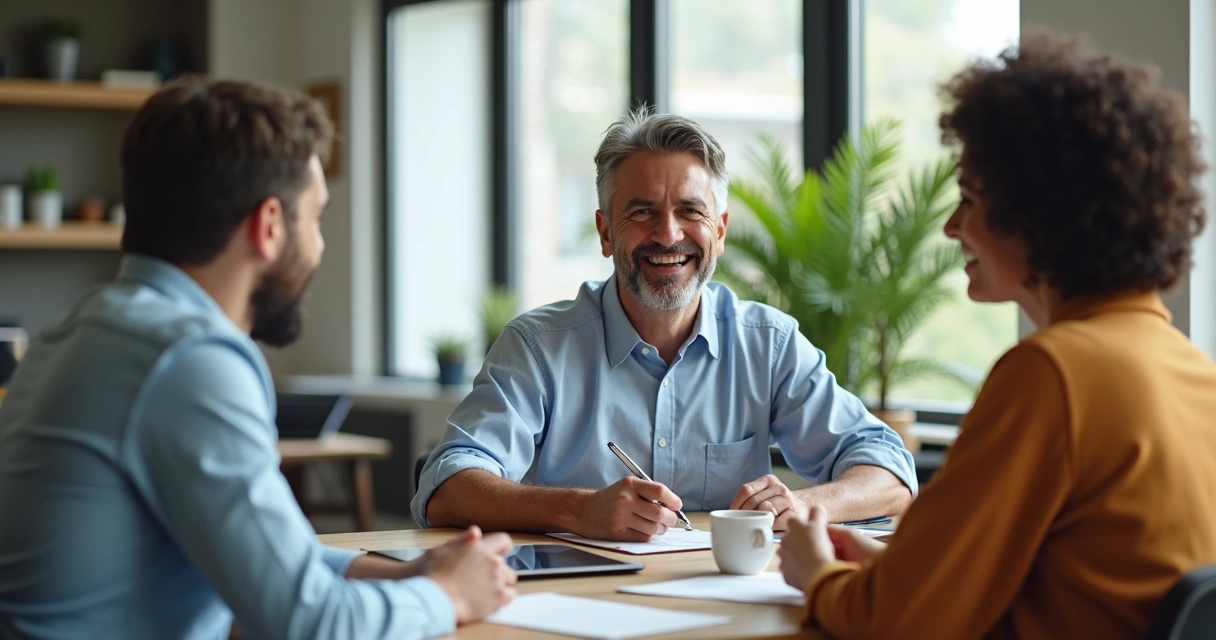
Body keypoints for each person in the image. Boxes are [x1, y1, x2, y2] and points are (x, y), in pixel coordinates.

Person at [0, 77, 516, 640]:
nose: (319, 246)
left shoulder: (81, 329)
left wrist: (412, 573)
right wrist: (446, 594)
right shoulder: (190, 358)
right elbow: (307, 624)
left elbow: (274, 560)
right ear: (269, 225)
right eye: (315, 219)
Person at [778, 30, 1216, 639]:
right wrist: (895, 569)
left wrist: (817, 575)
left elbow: (897, 626)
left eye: (971, 199)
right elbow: (1074, 584)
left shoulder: (1054, 373)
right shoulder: (1189, 368)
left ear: (1038, 213)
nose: (953, 226)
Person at [414, 108, 917, 541]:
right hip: (576, 605)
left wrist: (810, 506)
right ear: (606, 232)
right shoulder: (537, 347)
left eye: (690, 210)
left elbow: (890, 469)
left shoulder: (769, 344)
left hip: (723, 604)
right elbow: (446, 485)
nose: (669, 234)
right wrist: (579, 509)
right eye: (642, 212)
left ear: (718, 232)